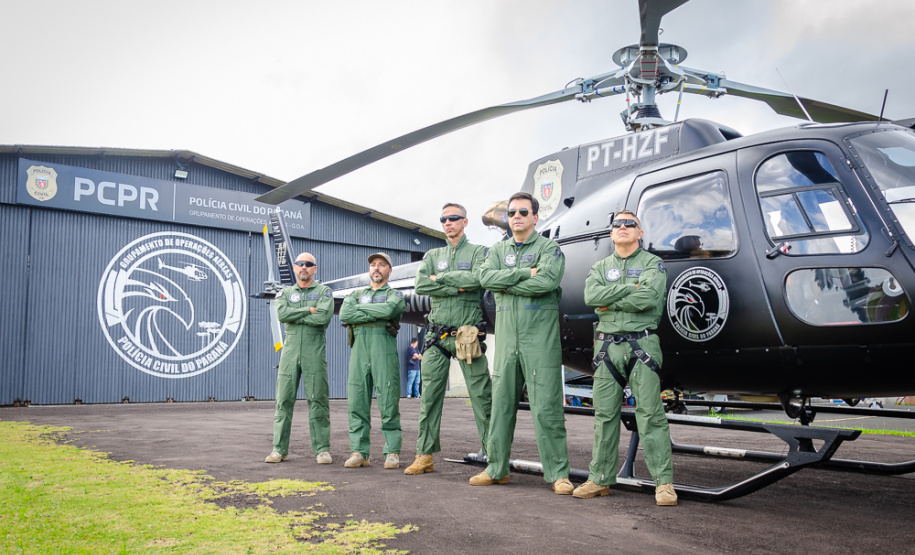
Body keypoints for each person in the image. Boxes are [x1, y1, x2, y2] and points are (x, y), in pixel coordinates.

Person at [572, 209, 677, 506]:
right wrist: (629, 289)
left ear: (640, 233)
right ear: (611, 233)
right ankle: (600, 479)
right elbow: (592, 297)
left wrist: (611, 298)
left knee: (651, 414)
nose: (622, 227)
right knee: (604, 416)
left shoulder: (652, 263)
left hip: (641, 345)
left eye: (630, 224)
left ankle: (664, 484)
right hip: (606, 349)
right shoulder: (600, 266)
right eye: (617, 224)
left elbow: (649, 298)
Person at [470, 192, 573, 495]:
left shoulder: (549, 249)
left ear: (535, 217)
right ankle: (496, 468)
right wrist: (523, 274)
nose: (516, 216)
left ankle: (558, 473)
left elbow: (548, 282)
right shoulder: (497, 250)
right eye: (512, 212)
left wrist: (508, 284)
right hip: (505, 343)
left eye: (523, 212)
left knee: (547, 409)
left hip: (539, 342)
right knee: (500, 407)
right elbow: (486, 278)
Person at [404, 203, 493, 476]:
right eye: (444, 219)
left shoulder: (479, 252)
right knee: (429, 398)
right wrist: (458, 283)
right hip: (436, 336)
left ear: (465, 222)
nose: (448, 223)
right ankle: (424, 455)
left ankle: (494, 456)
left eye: (453, 218)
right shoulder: (433, 254)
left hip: (467, 334)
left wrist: (440, 279)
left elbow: (478, 278)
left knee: (482, 396)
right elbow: (421, 285)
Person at [265, 252, 335, 465]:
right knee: (283, 400)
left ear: (315, 269)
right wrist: (308, 309)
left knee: (318, 399)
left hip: (314, 350)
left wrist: (298, 314)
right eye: (300, 264)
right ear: (294, 268)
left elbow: (323, 316)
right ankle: (278, 449)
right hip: (290, 349)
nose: (304, 267)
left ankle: (322, 449)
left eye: (308, 264)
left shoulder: (324, 292)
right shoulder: (285, 293)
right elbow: (282, 315)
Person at [339, 252, 406, 469]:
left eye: (382, 265)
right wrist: (374, 314)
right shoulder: (356, 294)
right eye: (373, 265)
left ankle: (392, 452)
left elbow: (389, 310)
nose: (376, 268)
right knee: (357, 402)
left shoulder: (395, 295)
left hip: (383, 351)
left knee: (388, 401)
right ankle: (359, 452)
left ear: (389, 270)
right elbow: (344, 315)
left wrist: (360, 311)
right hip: (359, 352)